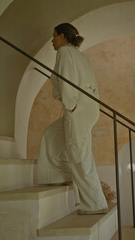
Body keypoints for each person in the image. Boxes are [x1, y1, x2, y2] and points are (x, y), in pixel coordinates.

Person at [36, 23, 108, 215]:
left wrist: (70, 105)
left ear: (62, 37)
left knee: (79, 156)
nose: (52, 40)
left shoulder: (65, 53)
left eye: (54, 36)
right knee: (50, 136)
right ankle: (57, 175)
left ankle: (95, 204)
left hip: (77, 108)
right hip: (85, 108)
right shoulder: (78, 55)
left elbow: (68, 79)